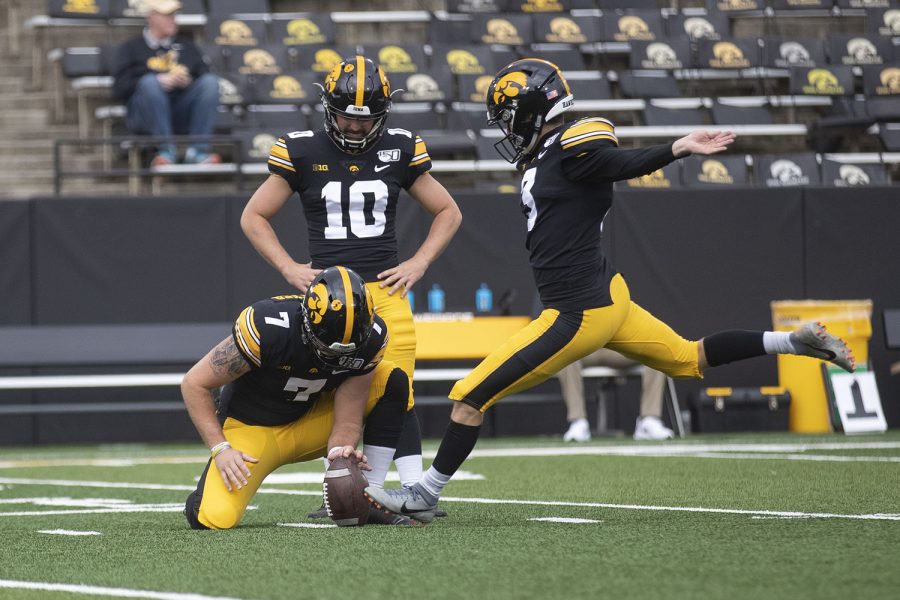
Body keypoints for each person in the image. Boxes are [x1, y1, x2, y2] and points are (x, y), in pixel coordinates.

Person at [364, 58, 856, 524]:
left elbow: (619, 162)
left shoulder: (576, 143)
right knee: (688, 358)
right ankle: (792, 341)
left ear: (534, 109)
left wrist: (677, 148)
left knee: (469, 395)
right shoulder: (549, 153)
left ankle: (424, 494)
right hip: (608, 297)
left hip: (576, 311)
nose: (507, 128)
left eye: (510, 117)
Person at [240, 56, 462, 517]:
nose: (356, 127)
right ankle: (350, 489)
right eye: (346, 116)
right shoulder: (301, 150)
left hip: (384, 288)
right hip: (327, 299)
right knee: (338, 393)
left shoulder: (400, 147)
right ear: (328, 108)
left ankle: (404, 491)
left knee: (396, 387)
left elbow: (449, 211)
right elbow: (253, 216)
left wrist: (419, 262)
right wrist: (288, 268)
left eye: (366, 118)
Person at [182, 266, 418, 529]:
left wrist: (341, 453)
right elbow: (194, 384)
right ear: (307, 322)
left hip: (313, 420)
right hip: (252, 430)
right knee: (214, 518)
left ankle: (370, 496)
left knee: (392, 379)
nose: (335, 357)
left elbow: (349, 418)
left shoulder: (372, 339)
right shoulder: (268, 327)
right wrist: (220, 448)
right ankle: (200, 499)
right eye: (327, 347)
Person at [112, 0, 220, 166]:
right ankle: (166, 150)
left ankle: (198, 151)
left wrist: (187, 82)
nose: (173, 19)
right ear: (151, 17)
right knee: (150, 83)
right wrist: (159, 80)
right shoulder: (130, 48)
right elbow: (119, 89)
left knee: (210, 82)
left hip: (180, 112)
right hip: (144, 115)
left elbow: (204, 76)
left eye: (174, 15)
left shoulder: (187, 46)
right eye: (167, 15)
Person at [558, 349, 673, 443]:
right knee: (563, 353)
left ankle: (649, 420)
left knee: (656, 350)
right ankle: (578, 422)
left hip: (618, 348)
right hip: (587, 348)